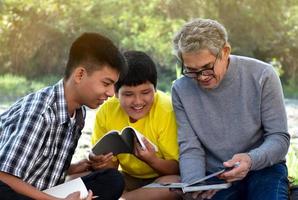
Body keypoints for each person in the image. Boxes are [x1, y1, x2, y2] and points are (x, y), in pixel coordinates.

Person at [171, 18, 290, 200]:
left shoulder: (263, 75)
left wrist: (250, 160)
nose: (201, 77)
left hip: (264, 169)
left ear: (225, 51)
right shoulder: (180, 89)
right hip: (216, 177)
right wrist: (193, 185)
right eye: (191, 70)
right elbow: (190, 147)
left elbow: (279, 138)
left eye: (207, 68)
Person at [0, 32, 127, 200]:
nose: (111, 93)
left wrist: (82, 166)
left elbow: (41, 168)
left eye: (114, 85)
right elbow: (4, 176)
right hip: (10, 191)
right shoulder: (40, 113)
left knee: (112, 179)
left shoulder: (78, 114)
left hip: (39, 192)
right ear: (80, 75)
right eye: (106, 83)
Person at [90, 50, 180, 200]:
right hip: (126, 178)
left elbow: (176, 168)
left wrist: (152, 160)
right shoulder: (107, 110)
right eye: (128, 94)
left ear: (155, 89)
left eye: (145, 92)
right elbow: (110, 171)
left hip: (158, 179)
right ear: (116, 93)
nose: (138, 101)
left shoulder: (166, 110)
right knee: (76, 177)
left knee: (175, 184)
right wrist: (100, 162)